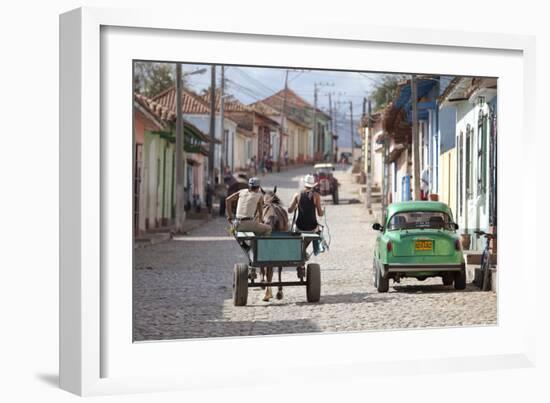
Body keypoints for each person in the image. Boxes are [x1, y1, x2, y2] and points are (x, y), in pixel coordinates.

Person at [288, 174, 325, 255]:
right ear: (312, 185)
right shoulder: (316, 196)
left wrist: (296, 206)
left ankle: (301, 251)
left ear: (304, 184)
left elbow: (289, 210)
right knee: (318, 231)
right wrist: (323, 211)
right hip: (312, 227)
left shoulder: (297, 195)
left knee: (291, 229)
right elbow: (320, 214)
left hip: (299, 226)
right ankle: (304, 251)